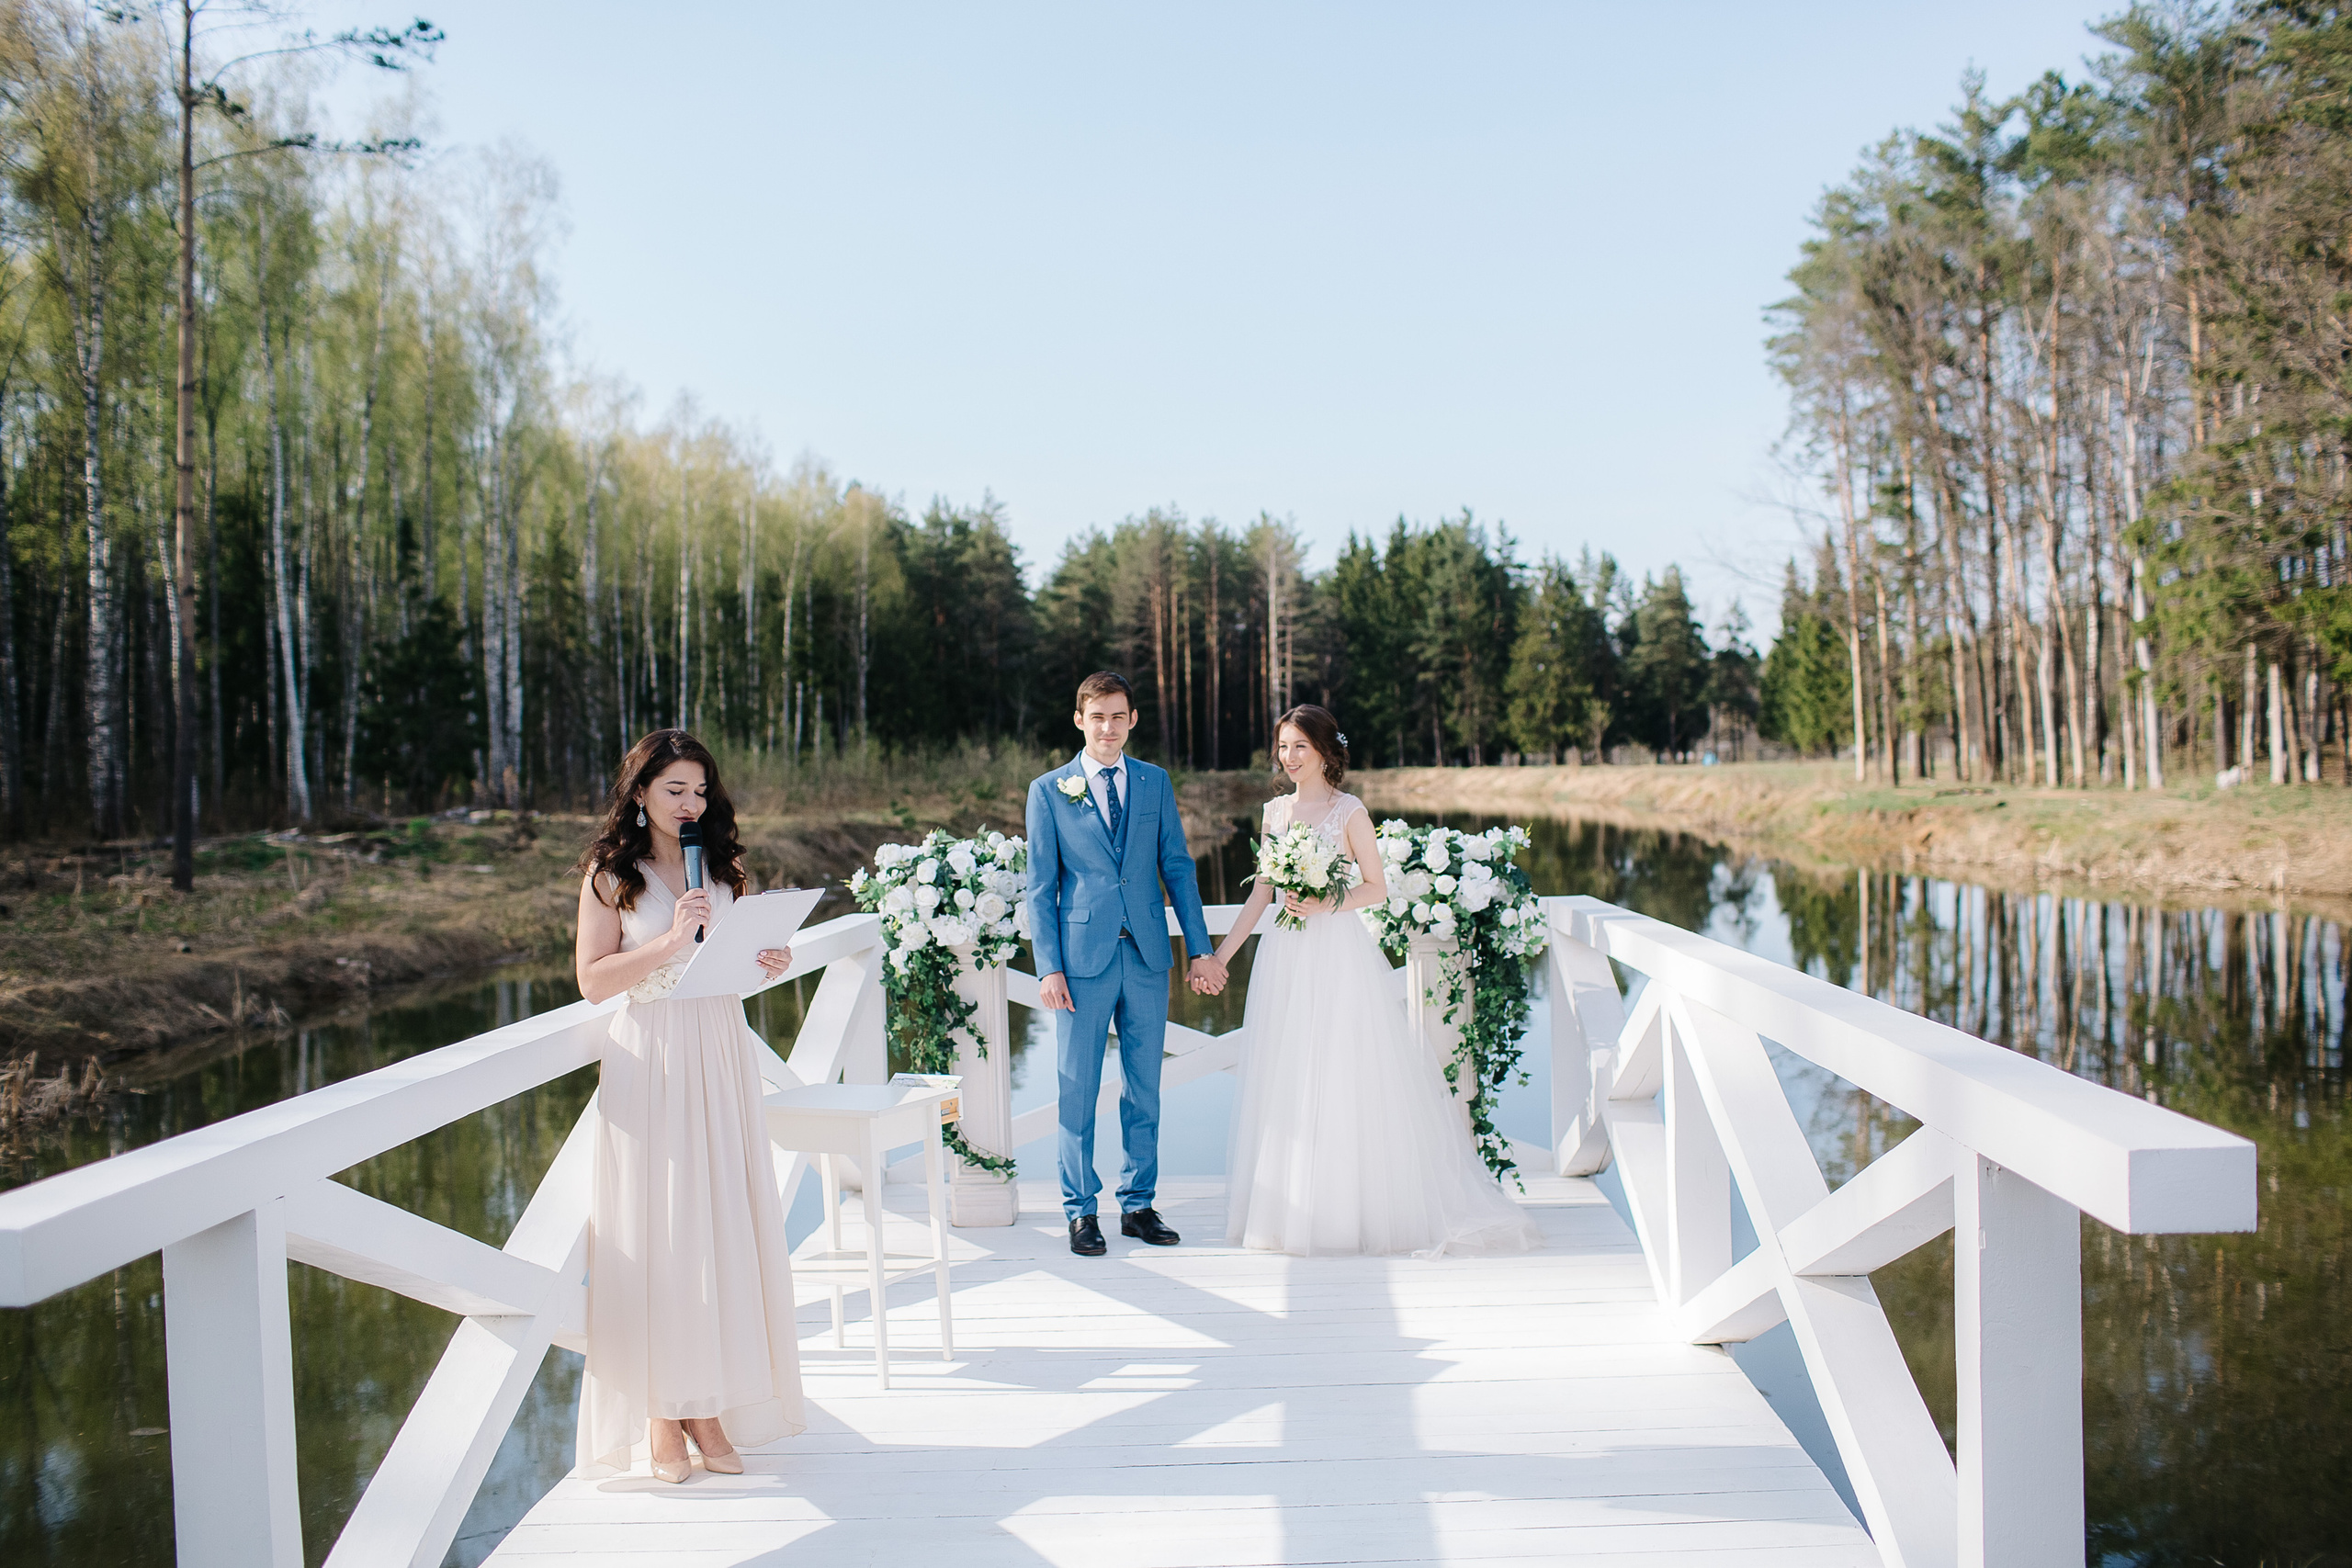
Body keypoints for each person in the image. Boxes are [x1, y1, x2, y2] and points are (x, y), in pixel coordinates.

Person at [1208, 705, 1541, 1258]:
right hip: (1287, 956)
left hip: (1337, 953)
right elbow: (1260, 894)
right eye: (1283, 747)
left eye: (1300, 747)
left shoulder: (1350, 811)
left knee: (1342, 1072)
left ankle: (1348, 1211)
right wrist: (1220, 957)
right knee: (1287, 1074)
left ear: (1324, 753)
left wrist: (1326, 900)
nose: (1288, 758)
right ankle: (1290, 1212)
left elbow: (1376, 888)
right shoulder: (1273, 814)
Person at [571, 729, 804, 1484]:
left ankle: (707, 1405)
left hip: (720, 1050)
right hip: (654, 1058)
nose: (691, 803)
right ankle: (660, 1414)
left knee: (716, 1230)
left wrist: (770, 958)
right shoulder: (611, 875)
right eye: (675, 790)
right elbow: (594, 980)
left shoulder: (724, 865)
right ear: (640, 793)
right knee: (661, 1232)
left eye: (700, 790)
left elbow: (727, 962)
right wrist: (670, 941)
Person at [1025, 671, 1226, 1258]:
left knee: (1145, 1088)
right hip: (1081, 963)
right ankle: (1080, 1212)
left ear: (1132, 720)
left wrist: (1200, 947)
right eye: (1097, 717)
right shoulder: (1049, 790)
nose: (1108, 727)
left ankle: (1138, 1205)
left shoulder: (1154, 782)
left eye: (1118, 716)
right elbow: (1040, 889)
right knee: (1077, 1090)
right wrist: (1047, 968)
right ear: (1079, 720)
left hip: (1145, 956)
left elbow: (1179, 868)